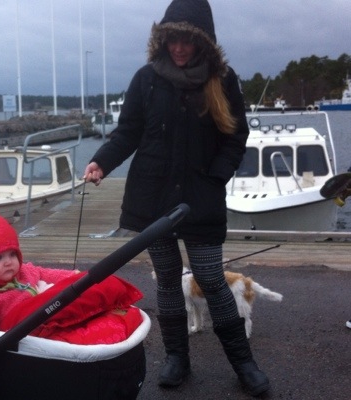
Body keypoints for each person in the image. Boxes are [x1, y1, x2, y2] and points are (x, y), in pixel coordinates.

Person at [82, 0, 269, 396]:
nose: (179, 48)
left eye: (187, 40)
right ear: (162, 39)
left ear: (203, 42)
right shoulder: (146, 79)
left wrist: (217, 177)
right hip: (153, 196)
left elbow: (236, 136)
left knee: (212, 279)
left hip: (201, 196)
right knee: (167, 280)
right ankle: (176, 358)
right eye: (172, 40)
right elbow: (127, 132)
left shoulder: (223, 79)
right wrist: (101, 162)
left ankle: (244, 364)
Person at [0, 213, 143, 344]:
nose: (8, 262)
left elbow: (45, 273)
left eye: (12, 254)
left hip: (47, 315)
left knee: (91, 284)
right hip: (21, 333)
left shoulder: (21, 272)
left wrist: (75, 277)